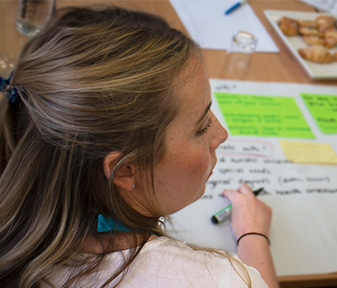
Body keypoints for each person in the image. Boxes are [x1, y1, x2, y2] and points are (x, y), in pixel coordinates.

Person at [0, 6, 279, 288]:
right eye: (201, 126)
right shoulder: (213, 280)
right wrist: (253, 237)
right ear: (126, 171)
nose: (222, 134)